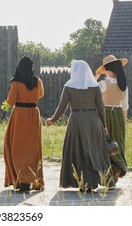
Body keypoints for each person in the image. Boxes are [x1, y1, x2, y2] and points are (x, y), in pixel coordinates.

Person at [45, 60, 115, 192]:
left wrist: (52, 120)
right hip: (94, 121)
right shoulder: (94, 86)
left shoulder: (69, 86)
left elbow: (62, 107)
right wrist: (104, 126)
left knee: (79, 152)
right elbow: (101, 108)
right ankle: (98, 180)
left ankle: (83, 182)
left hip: (77, 121)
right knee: (95, 152)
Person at [3, 56, 45, 192]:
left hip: (19, 115)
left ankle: (20, 179)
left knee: (16, 147)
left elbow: (10, 102)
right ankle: (32, 178)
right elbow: (40, 95)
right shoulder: (37, 81)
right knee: (32, 147)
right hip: (33, 114)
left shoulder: (15, 82)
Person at [95, 55, 129, 183]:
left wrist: (96, 76)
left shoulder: (103, 84)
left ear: (108, 70)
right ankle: (117, 170)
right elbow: (125, 107)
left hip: (105, 115)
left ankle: (108, 173)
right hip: (119, 115)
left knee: (105, 143)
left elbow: (91, 92)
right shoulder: (124, 86)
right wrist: (122, 123)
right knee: (117, 144)